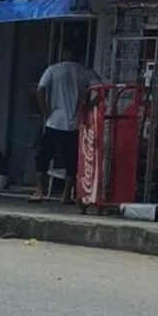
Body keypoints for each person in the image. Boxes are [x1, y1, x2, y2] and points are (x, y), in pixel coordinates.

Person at [33, 44, 97, 201]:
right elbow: (103, 89)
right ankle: (66, 194)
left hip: (54, 121)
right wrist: (88, 107)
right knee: (71, 159)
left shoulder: (53, 69)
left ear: (65, 52)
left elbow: (40, 90)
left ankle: (39, 190)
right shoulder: (85, 71)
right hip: (74, 123)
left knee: (43, 156)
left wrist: (45, 111)